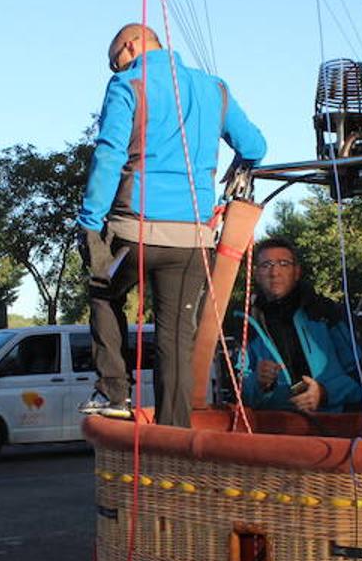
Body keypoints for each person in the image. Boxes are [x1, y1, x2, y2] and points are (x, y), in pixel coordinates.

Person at [77, 23, 267, 426]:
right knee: (175, 341)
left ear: (131, 46)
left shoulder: (128, 85)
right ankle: (175, 438)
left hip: (134, 232)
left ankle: (113, 389)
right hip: (192, 241)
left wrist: (90, 224)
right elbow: (255, 147)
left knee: (102, 288)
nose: (116, 70)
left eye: (116, 61)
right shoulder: (215, 89)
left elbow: (109, 155)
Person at [237, 238, 362, 413]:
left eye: (283, 264)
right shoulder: (247, 325)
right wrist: (259, 383)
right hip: (277, 428)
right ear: (256, 274)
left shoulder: (325, 313)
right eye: (266, 265)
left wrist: (324, 393)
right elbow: (239, 392)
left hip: (334, 425)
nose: (275, 272)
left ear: (297, 272)